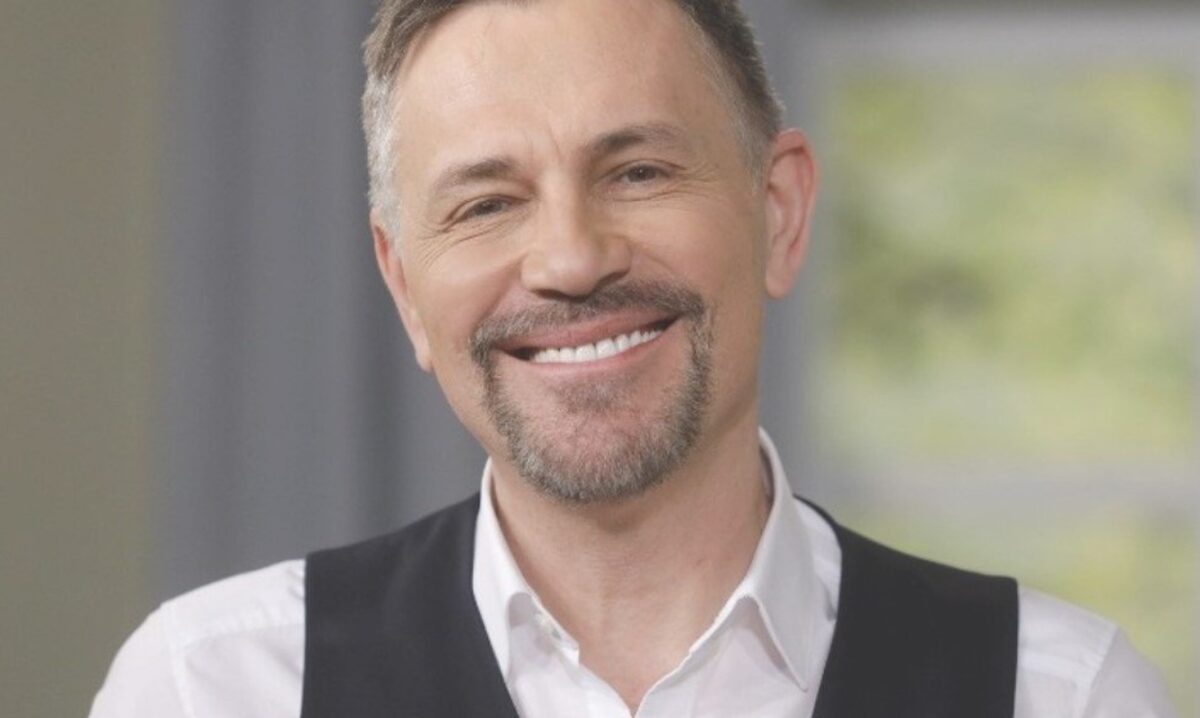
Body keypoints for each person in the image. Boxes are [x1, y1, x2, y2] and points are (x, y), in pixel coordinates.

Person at [91, 1, 1178, 716]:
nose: (570, 259)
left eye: (639, 172)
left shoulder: (1062, 698)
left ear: (780, 212)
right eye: (486, 202)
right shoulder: (212, 690)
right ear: (405, 288)